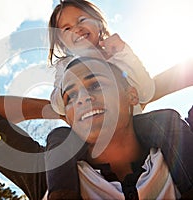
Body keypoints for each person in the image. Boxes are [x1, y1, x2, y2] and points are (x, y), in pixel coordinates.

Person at [0, 57, 193, 199]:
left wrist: (145, 92)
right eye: (70, 96)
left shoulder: (182, 141)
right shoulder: (49, 175)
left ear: (131, 94)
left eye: (95, 85)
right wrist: (63, 110)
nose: (80, 99)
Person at [45, 0, 193, 198]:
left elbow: (146, 91)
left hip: (132, 128)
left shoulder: (118, 54)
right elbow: (58, 104)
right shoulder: (65, 67)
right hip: (90, 133)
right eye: (66, 28)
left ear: (98, 23)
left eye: (82, 20)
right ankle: (62, 194)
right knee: (58, 137)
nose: (77, 29)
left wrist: (124, 53)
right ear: (61, 41)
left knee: (166, 119)